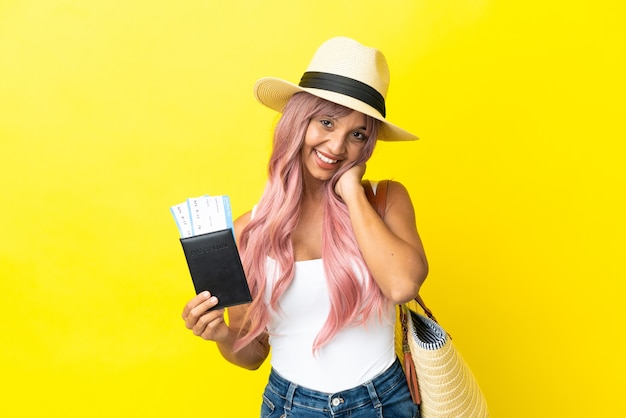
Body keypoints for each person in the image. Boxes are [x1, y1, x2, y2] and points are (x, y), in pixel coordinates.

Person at [182, 36, 428, 417]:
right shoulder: (249, 231)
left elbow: (401, 285)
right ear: (299, 121)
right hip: (290, 406)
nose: (336, 145)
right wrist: (220, 336)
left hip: (385, 402)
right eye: (326, 122)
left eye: (357, 134)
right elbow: (252, 355)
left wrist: (351, 192)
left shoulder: (384, 200)